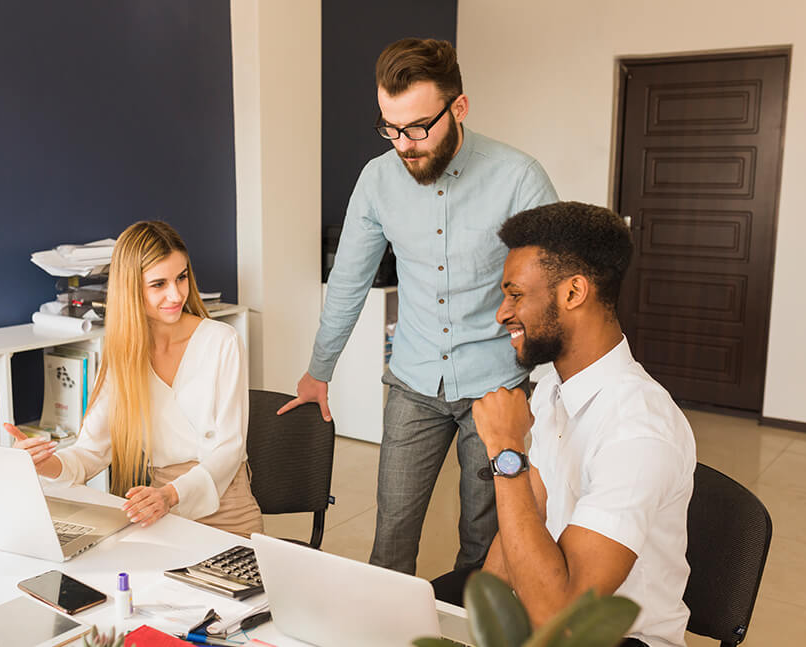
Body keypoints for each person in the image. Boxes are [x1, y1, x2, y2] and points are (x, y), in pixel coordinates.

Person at [277, 37, 558, 574]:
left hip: (497, 384)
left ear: (459, 108)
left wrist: (557, 390)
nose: (404, 144)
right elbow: (347, 283)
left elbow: (557, 286)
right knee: (391, 537)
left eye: (418, 127)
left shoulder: (519, 176)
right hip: (413, 382)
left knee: (485, 542)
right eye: (390, 127)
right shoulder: (377, 179)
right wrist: (319, 371)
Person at [470, 202, 696, 647]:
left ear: (573, 293)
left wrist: (504, 450)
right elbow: (529, 508)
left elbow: (564, 619)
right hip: (541, 617)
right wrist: (476, 628)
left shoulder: (639, 431)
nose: (501, 313)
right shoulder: (554, 381)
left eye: (515, 295)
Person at [5, 221, 263, 537]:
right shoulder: (123, 357)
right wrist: (44, 464)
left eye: (181, 278)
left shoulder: (222, 341)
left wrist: (170, 495)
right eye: (158, 284)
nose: (176, 294)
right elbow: (90, 453)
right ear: (131, 288)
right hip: (159, 511)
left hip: (226, 506)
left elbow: (228, 450)